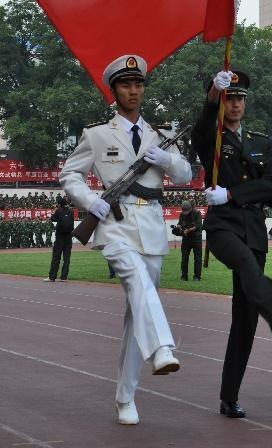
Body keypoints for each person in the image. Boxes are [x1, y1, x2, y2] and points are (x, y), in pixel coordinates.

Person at [60, 54, 192, 426]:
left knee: (138, 311)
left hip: (151, 228)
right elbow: (69, 174)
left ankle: (125, 397)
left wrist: (167, 161)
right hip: (114, 226)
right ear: (114, 91)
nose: (133, 91)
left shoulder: (161, 136)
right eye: (125, 85)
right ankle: (162, 347)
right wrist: (91, 201)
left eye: (138, 84)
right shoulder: (97, 134)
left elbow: (185, 175)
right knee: (136, 280)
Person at [191, 69, 272, 420]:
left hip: (253, 228)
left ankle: (229, 397)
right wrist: (213, 93)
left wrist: (231, 194)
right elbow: (201, 126)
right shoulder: (211, 138)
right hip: (223, 227)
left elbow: (271, 185)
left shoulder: (260, 142)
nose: (236, 104)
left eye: (240, 99)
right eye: (230, 98)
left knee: (245, 317)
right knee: (245, 264)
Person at [44, 195, 74, 282]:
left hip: (60, 237)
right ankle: (64, 277)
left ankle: (52, 277)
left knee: (56, 257)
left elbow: (52, 219)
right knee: (66, 258)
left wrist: (54, 211)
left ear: (59, 204)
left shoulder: (58, 211)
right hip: (68, 237)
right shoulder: (71, 211)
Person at [174, 200, 203, 281]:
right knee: (184, 258)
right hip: (186, 239)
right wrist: (179, 226)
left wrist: (188, 230)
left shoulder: (197, 213)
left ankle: (197, 277)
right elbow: (179, 223)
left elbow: (198, 226)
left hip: (196, 238)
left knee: (197, 259)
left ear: (191, 208)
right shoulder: (182, 214)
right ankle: (184, 276)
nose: (185, 213)